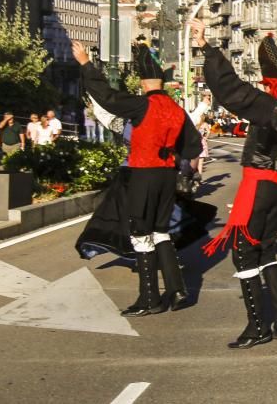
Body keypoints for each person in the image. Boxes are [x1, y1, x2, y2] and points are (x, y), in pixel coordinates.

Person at [73, 39, 201, 317]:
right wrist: (175, 158)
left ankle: (149, 298)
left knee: (141, 234)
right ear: (163, 82)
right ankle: (177, 290)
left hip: (143, 174)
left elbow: (106, 96)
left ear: (143, 83)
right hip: (167, 175)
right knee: (161, 231)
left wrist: (86, 64)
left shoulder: (142, 106)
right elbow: (194, 147)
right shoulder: (177, 110)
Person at [195, 26, 277, 349]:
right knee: (266, 250)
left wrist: (207, 47)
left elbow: (229, 88)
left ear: (266, 78)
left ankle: (258, 327)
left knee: (243, 253)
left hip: (257, 183)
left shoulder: (267, 104)